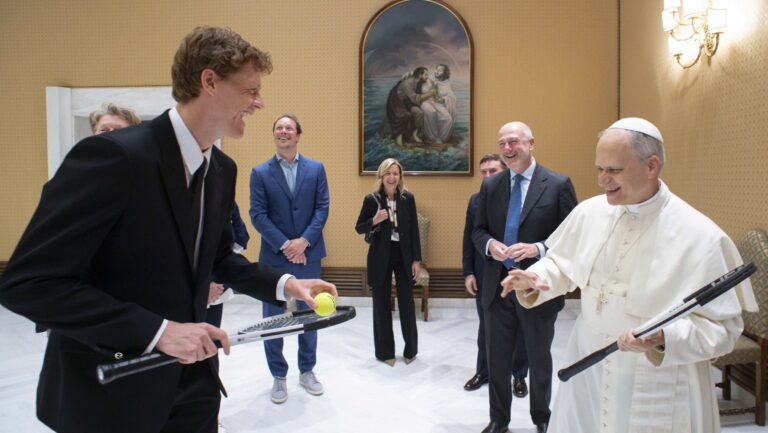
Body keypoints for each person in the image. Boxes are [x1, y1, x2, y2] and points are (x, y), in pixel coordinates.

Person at [0, 26, 337, 433]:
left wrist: (285, 284)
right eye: (250, 90)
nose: (259, 103)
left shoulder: (222, 169)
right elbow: (28, 283)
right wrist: (156, 331)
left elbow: (216, 258)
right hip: (114, 391)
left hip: (194, 388)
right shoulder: (113, 157)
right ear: (209, 81)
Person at [502, 117, 758, 433]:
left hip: (657, 376)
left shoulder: (701, 236)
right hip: (588, 361)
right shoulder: (590, 212)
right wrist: (535, 277)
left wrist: (664, 338)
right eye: (599, 169)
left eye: (614, 170)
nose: (603, 180)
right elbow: (562, 263)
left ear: (651, 166)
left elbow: (724, 330)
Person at [472, 122, 577, 433]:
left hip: (536, 288)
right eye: (502, 143)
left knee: (539, 358)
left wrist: (537, 248)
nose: (507, 149)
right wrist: (490, 245)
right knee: (497, 359)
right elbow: (478, 231)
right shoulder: (491, 186)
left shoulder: (557, 184)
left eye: (514, 142)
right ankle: (498, 419)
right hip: (497, 288)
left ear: (531, 143)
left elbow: (572, 237)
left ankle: (542, 417)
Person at [249, 114, 330, 404]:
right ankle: (278, 376)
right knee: (273, 318)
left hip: (309, 254)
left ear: (298, 135)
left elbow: (322, 207)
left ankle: (307, 371)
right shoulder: (260, 173)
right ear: (274, 135)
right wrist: (286, 245)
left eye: (289, 128)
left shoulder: (316, 169)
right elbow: (257, 214)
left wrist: (303, 242)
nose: (283, 131)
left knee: (311, 313)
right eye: (279, 128)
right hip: (275, 256)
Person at [462, 154, 529, 396]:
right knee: (486, 327)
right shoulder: (476, 200)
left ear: (505, 172)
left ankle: (519, 376)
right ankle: (484, 371)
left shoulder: (523, 197)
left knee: (521, 327)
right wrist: (469, 272)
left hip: (518, 273)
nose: (487, 176)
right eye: (484, 172)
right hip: (486, 274)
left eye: (493, 171)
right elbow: (469, 238)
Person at [355, 158, 421, 366]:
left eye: (396, 173)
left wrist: (416, 260)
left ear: (400, 176)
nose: (392, 177)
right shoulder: (372, 199)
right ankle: (385, 353)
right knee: (381, 304)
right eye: (388, 173)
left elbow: (414, 231)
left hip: (404, 255)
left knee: (407, 303)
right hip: (380, 255)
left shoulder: (407, 198)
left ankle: (411, 350)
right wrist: (374, 220)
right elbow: (359, 227)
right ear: (381, 176)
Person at [385, 66, 436, 146]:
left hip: (407, 101)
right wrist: (430, 94)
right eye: (426, 75)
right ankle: (399, 138)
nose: (427, 77)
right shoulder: (407, 83)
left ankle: (414, 134)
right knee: (405, 115)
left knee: (419, 113)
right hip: (397, 103)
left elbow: (416, 96)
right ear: (420, 75)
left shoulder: (418, 82)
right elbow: (415, 98)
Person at [420, 64, 456, 144]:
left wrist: (443, 99)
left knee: (448, 119)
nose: (437, 72)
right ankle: (433, 137)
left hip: (437, 104)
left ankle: (442, 138)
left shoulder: (447, 83)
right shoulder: (429, 79)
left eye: (440, 71)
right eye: (436, 70)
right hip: (426, 101)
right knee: (432, 112)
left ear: (445, 73)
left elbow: (451, 96)